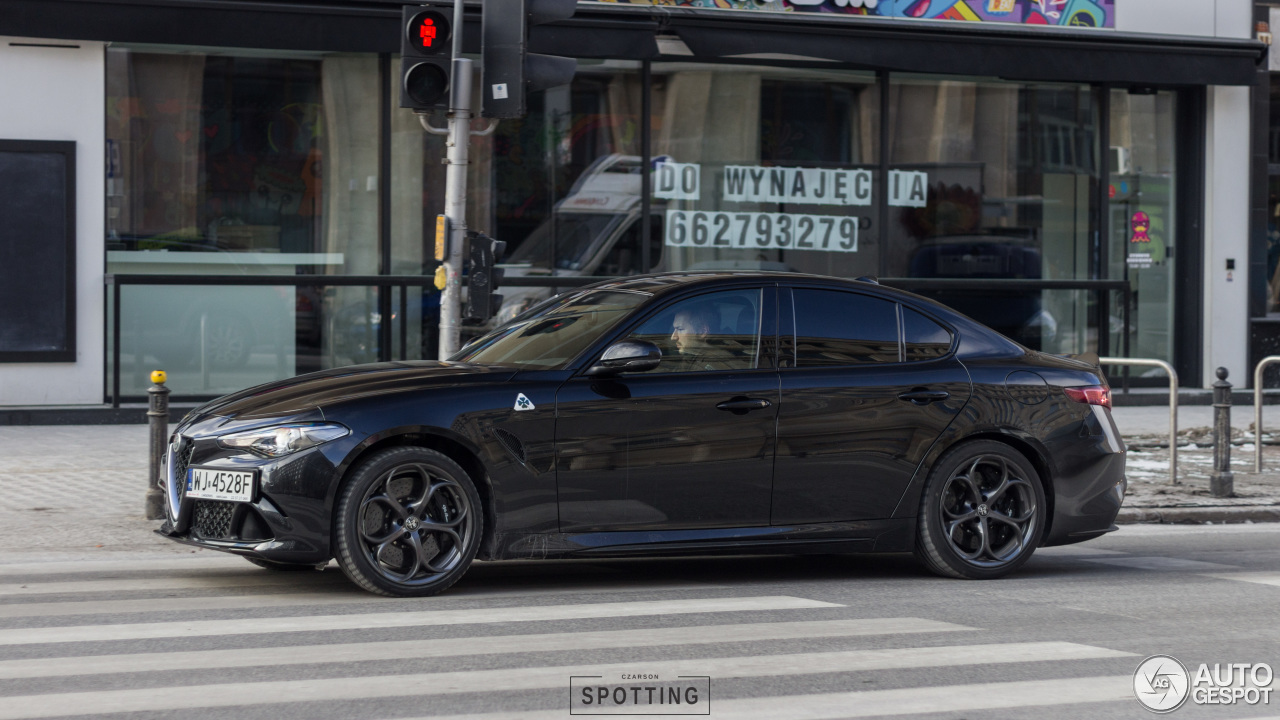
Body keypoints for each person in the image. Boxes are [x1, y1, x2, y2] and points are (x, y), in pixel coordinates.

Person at [668, 304, 737, 372]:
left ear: (702, 331)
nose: (673, 337)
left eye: (680, 329)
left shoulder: (712, 364)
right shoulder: (693, 355)